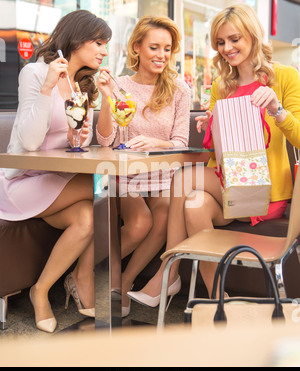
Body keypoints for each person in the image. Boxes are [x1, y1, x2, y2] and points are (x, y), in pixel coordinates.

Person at [128, 3, 300, 304]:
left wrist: (277, 109)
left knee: (182, 180)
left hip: (266, 193)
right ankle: (219, 301)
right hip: (230, 189)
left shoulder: (284, 77)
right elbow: (215, 154)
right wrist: (211, 128)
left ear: (253, 36)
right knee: (194, 205)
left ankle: (168, 273)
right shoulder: (222, 85)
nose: (227, 48)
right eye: (220, 42)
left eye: (234, 39)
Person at [0, 10, 112, 333]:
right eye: (99, 42)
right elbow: (31, 141)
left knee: (87, 219)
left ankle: (41, 290)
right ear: (76, 38)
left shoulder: (81, 86)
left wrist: (79, 135)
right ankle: (83, 277)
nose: (103, 51)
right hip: (21, 181)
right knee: (105, 188)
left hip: (55, 181)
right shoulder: (35, 73)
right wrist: (48, 86)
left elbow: (85, 141)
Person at [97, 16, 190, 317]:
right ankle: (88, 270)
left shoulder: (179, 89)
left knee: (164, 212)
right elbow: (106, 140)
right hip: (127, 175)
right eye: (154, 47)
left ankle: (124, 281)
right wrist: (106, 99)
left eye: (167, 48)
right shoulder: (119, 85)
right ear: (137, 47)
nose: (162, 55)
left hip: (164, 176)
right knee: (140, 223)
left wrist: (156, 141)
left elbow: (181, 142)